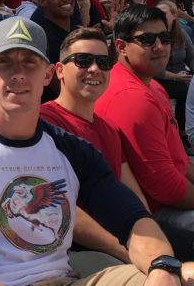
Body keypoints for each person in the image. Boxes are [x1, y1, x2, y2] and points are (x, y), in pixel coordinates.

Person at [0, 16, 194, 286]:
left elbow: (132, 218)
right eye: (5, 63)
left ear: (48, 73)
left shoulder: (72, 149)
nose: (18, 74)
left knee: (188, 282)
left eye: (30, 63)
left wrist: (161, 267)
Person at [40, 27, 150, 264]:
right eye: (82, 60)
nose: (94, 69)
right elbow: (59, 208)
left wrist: (150, 238)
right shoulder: (44, 124)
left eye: (103, 62)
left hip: (122, 238)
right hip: (72, 250)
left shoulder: (109, 128)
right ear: (59, 70)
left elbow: (130, 191)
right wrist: (124, 251)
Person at [96, 5, 194, 249]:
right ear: (121, 47)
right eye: (147, 39)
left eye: (164, 38)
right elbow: (166, 189)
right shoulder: (132, 98)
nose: (159, 46)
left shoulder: (150, 85)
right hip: (155, 218)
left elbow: (179, 159)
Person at [155, 0, 194, 136]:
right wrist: (175, 76)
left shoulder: (182, 34)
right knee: (184, 89)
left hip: (180, 77)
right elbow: (153, 67)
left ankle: (184, 132)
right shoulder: (153, 36)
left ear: (174, 16)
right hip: (159, 78)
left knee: (189, 89)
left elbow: (191, 57)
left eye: (163, 13)